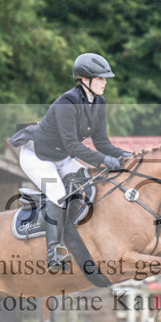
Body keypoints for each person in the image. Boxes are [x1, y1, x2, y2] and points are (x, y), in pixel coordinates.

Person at [9, 53, 131, 272]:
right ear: (85, 79)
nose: (105, 82)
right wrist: (105, 161)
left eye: (105, 78)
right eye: (101, 78)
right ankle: (54, 252)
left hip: (62, 156)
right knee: (58, 195)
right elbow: (73, 145)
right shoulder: (68, 102)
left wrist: (125, 156)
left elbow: (102, 142)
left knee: (90, 187)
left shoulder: (98, 102)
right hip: (38, 156)